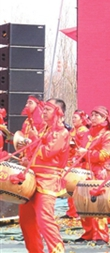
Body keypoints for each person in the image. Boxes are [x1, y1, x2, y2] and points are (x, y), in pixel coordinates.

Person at [18, 98, 70, 253]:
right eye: (44, 108)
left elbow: (48, 152)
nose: (44, 111)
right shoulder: (43, 130)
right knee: (26, 221)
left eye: (48, 109)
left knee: (44, 219)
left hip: (48, 180)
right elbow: (35, 152)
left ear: (58, 112)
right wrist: (26, 159)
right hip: (31, 178)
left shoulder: (62, 132)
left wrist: (34, 140)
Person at [74, 106, 110, 244]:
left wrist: (86, 154)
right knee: (83, 203)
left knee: (98, 204)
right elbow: (81, 151)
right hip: (85, 171)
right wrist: (78, 157)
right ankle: (88, 233)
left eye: (97, 115)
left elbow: (105, 155)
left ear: (104, 118)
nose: (93, 118)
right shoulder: (87, 134)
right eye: (92, 115)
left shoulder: (108, 135)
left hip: (99, 172)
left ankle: (101, 235)